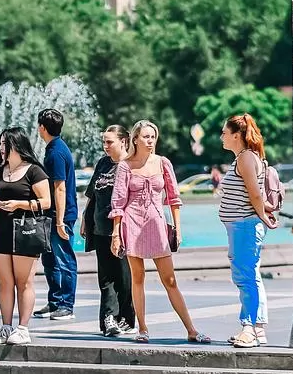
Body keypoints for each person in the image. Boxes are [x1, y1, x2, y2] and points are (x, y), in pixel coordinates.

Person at [110, 120, 210, 344]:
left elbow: (174, 199)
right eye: (146, 136)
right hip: (132, 223)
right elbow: (118, 202)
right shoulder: (126, 166)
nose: (150, 141)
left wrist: (177, 228)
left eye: (153, 137)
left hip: (156, 223)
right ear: (135, 139)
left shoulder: (163, 163)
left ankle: (191, 329)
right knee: (138, 277)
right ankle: (143, 329)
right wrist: (116, 233)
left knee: (170, 279)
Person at [0, 127, 52, 346]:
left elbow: (47, 202)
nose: (1, 148)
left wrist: (19, 204)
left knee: (24, 282)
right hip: (2, 232)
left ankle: (23, 328)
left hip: (25, 232)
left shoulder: (34, 171)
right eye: (0, 143)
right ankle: (6, 326)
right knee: (4, 283)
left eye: (5, 143)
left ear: (16, 145)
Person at [218, 113, 280, 349]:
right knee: (250, 276)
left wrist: (262, 216)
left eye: (225, 132)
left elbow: (255, 193)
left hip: (244, 225)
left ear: (237, 135)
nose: (221, 137)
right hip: (242, 225)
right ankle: (257, 329)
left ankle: (249, 328)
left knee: (245, 278)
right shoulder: (246, 158)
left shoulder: (245, 158)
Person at [81, 125, 135, 337]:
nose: (105, 146)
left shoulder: (130, 164)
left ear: (123, 141)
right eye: (104, 141)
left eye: (109, 141)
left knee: (124, 275)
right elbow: (92, 194)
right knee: (105, 277)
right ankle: (108, 320)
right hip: (101, 227)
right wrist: (86, 218)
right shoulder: (102, 164)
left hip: (123, 229)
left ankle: (127, 319)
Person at [36, 109, 77, 321]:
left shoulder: (56, 152)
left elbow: (59, 188)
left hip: (60, 215)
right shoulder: (55, 148)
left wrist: (60, 221)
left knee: (64, 259)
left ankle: (66, 305)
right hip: (52, 215)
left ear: (42, 127)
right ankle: (55, 301)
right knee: (49, 259)